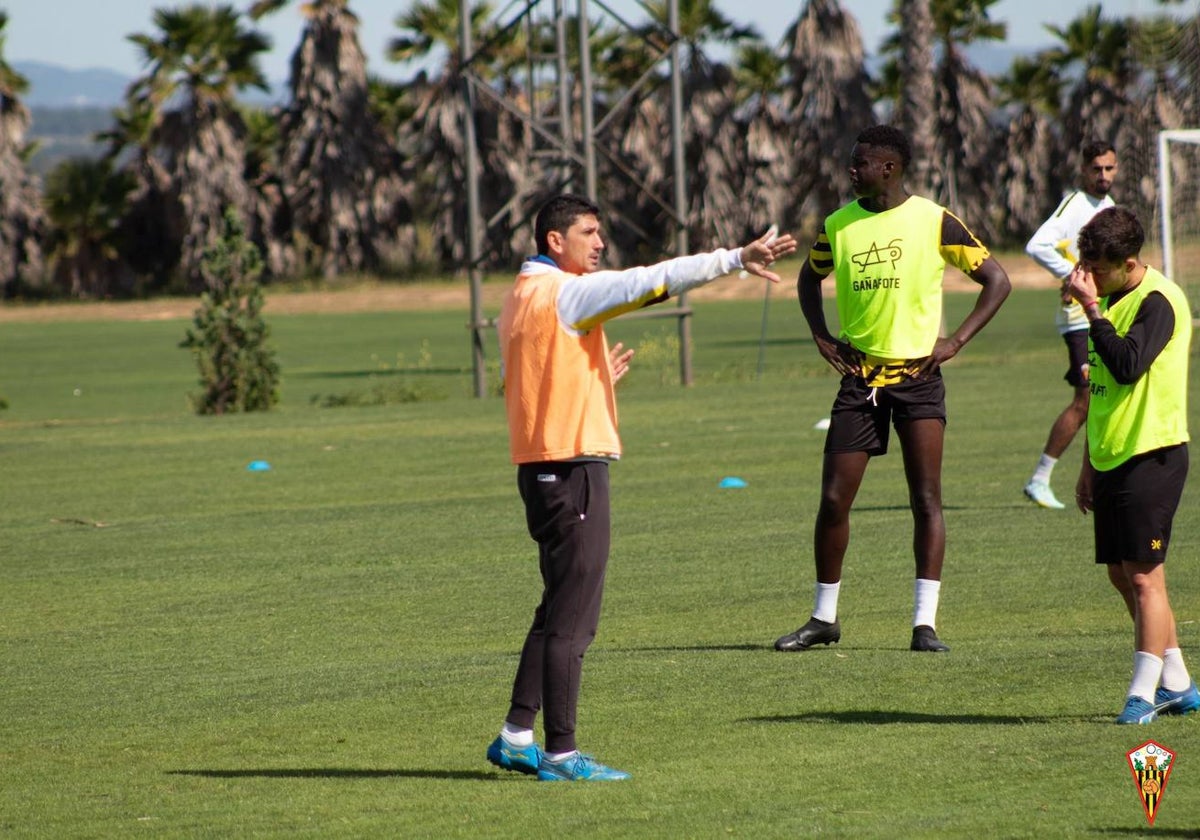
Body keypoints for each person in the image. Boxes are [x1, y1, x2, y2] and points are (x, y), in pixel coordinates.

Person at [488, 193, 796, 781]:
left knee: (557, 607)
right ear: (556, 241)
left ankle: (515, 735)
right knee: (574, 620)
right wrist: (733, 258)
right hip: (572, 471)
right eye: (589, 232)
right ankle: (560, 754)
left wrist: (594, 381)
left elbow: (529, 379)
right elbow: (649, 282)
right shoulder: (567, 292)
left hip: (541, 470)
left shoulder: (520, 295)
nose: (600, 242)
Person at [774, 124, 1010, 654]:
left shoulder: (934, 220)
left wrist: (956, 341)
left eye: (860, 163)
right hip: (859, 381)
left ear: (889, 167)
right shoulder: (838, 224)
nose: (850, 170)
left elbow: (997, 279)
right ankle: (824, 620)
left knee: (926, 499)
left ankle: (924, 626)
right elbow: (809, 279)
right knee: (834, 499)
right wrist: (820, 335)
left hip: (919, 380)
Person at [1065, 206, 1199, 724]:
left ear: (1127, 262)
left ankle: (1142, 696)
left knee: (1145, 578)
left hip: (1154, 453)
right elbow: (1101, 391)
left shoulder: (1157, 301)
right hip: (1112, 454)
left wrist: (1092, 313)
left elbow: (1125, 366)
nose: (1089, 277)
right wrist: (1087, 466)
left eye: (1098, 268)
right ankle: (1180, 685)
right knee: (1125, 576)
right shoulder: (1114, 296)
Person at [1022, 140, 1119, 510]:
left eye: (1109, 168)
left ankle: (1100, 479)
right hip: (1079, 318)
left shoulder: (1108, 208)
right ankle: (1040, 478)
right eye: (1096, 168)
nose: (1103, 175)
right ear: (1083, 169)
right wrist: (1073, 274)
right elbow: (1036, 245)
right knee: (1084, 399)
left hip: (1099, 313)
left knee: (1099, 399)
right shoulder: (1075, 205)